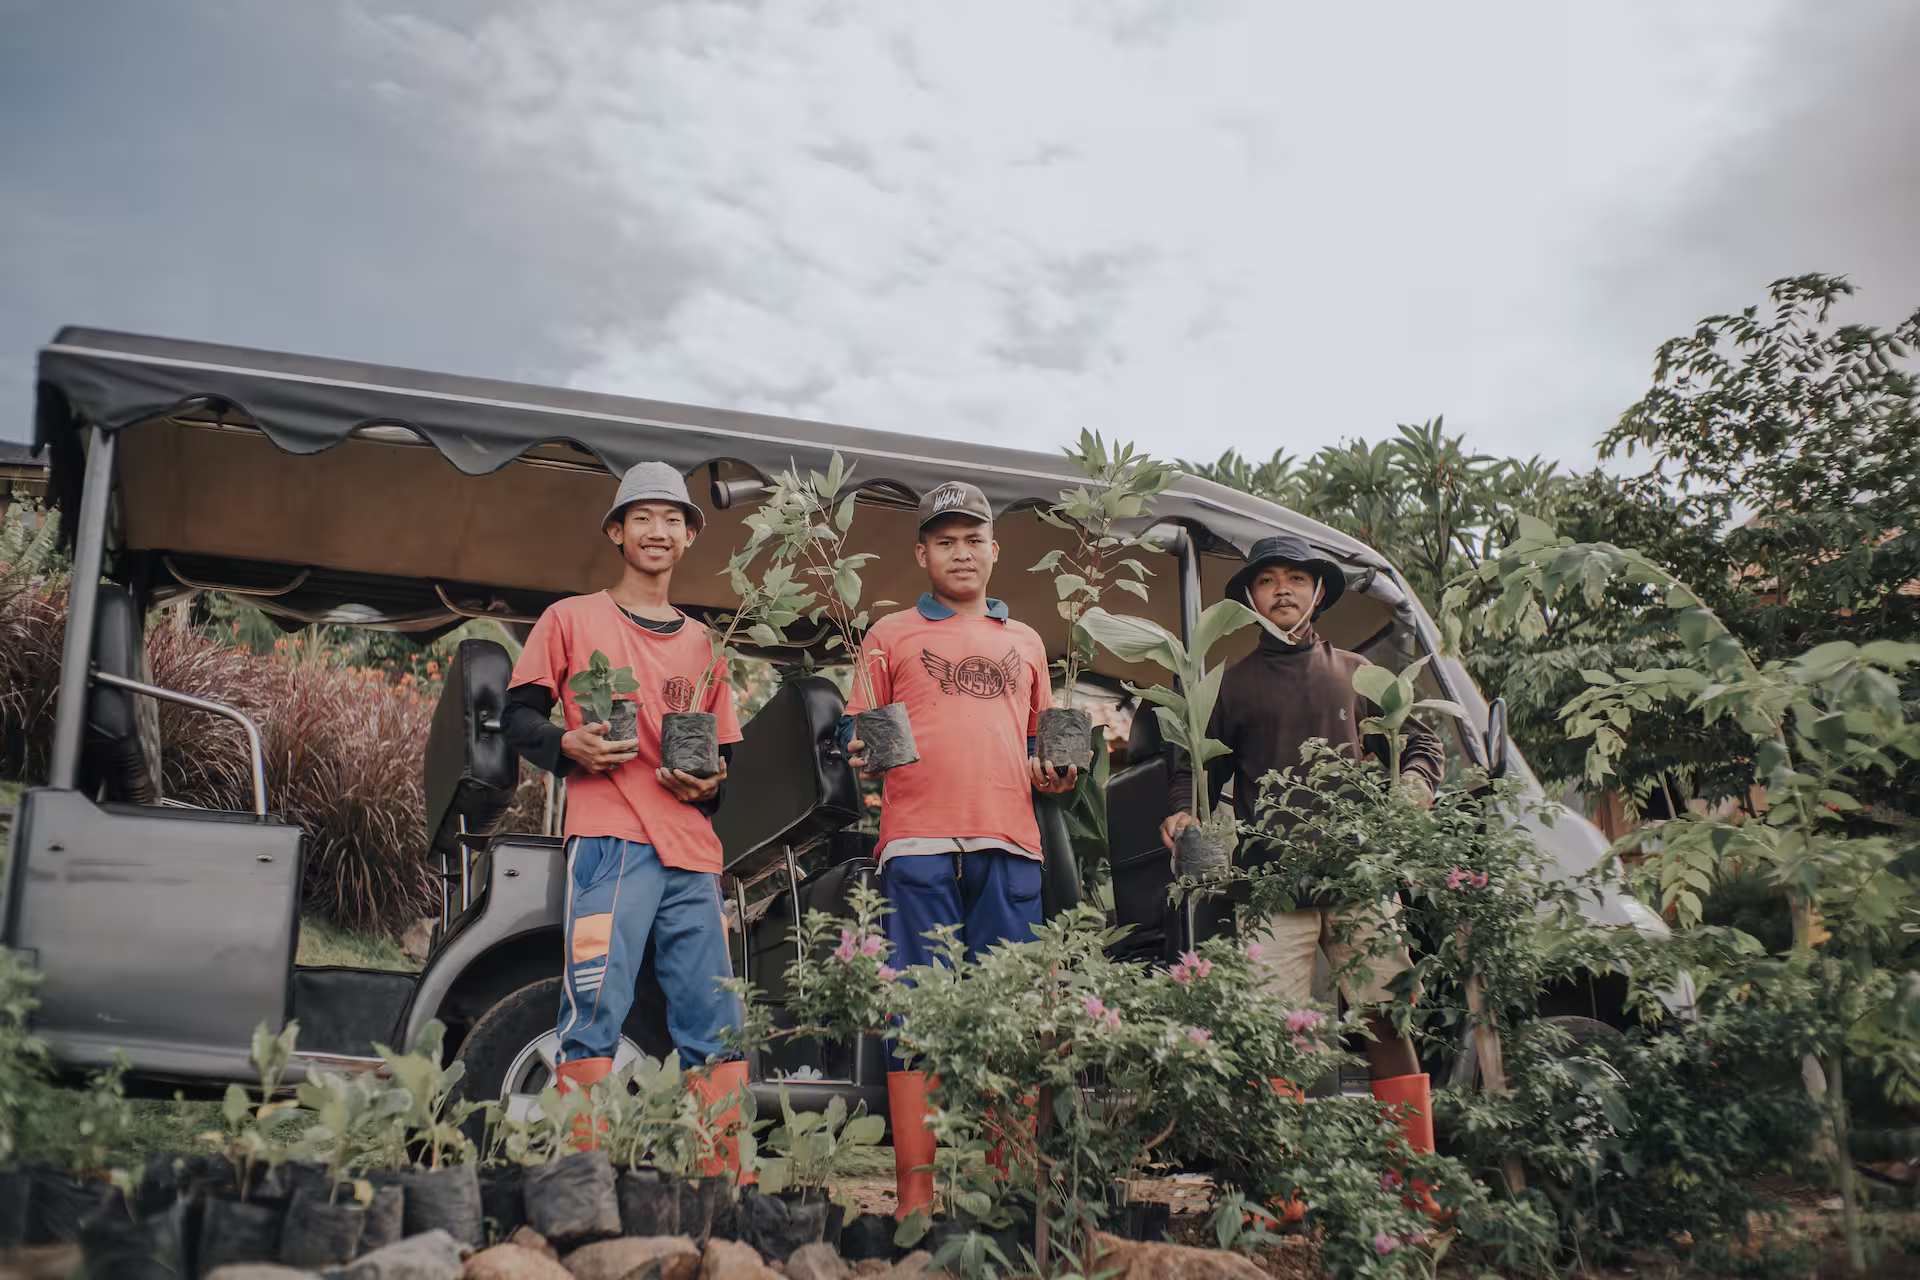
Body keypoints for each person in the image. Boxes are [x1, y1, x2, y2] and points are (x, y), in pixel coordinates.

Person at [1162, 533, 1445, 1164]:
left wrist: (1415, 785)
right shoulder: (1230, 687)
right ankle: (1284, 1182)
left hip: (1361, 880)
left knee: (1385, 1019)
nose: (1281, 589)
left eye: (1295, 578)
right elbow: (1194, 769)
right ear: (1251, 599)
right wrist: (1182, 809)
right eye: (1267, 581)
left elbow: (1424, 744)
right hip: (1271, 887)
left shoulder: (1357, 674)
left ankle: (1415, 1175)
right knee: (1274, 1034)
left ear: (1318, 592)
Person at [500, 461, 747, 1169]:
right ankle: (581, 1176)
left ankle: (722, 1180)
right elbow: (517, 716)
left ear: (690, 537)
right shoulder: (570, 618)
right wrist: (565, 745)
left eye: (673, 519)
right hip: (609, 841)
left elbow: (722, 766)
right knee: (594, 1008)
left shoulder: (705, 644)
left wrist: (709, 790)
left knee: (714, 1020)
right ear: (617, 530)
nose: (658, 530)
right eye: (643, 517)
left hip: (691, 857)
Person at [843, 479, 1078, 1219]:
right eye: (945, 540)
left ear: (995, 550)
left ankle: (1007, 1189)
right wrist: (864, 756)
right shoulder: (889, 634)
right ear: (922, 553)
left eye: (973, 538)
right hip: (914, 840)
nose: (961, 551)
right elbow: (862, 738)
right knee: (917, 1006)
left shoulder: (1028, 642)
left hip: (1011, 839)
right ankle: (916, 1194)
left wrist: (1059, 769)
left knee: (1008, 1009)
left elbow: (1046, 748)